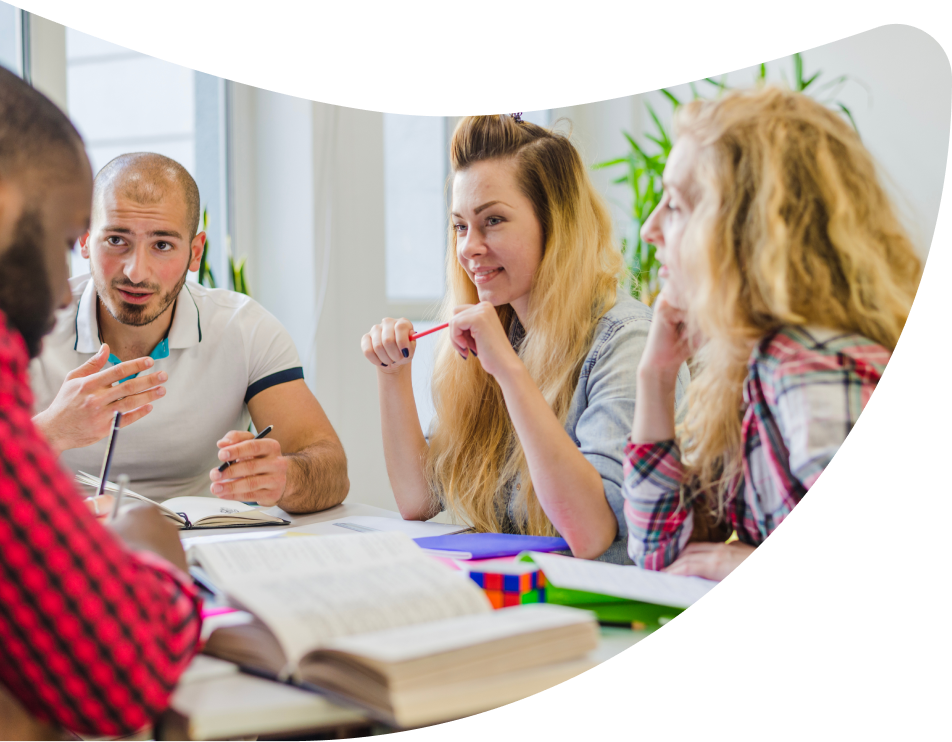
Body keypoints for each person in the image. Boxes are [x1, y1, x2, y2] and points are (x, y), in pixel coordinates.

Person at [623, 86, 921, 580]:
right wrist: (655, 377)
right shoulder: (749, 363)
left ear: (745, 230)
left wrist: (736, 560)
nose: (649, 229)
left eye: (675, 205)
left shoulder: (808, 365)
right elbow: (660, 556)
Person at [362, 114, 688, 563]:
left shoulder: (626, 343)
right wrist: (392, 373)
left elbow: (591, 535)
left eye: (492, 220)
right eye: (460, 226)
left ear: (555, 226)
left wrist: (509, 372)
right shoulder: (499, 334)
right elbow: (419, 501)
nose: (469, 247)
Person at [0, 67, 201, 737]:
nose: (65, 289)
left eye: (162, 245)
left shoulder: (244, 322)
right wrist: (151, 542)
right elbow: (116, 676)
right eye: (67, 243)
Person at [29, 152, 348, 511]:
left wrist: (285, 477)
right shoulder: (25, 325)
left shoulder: (244, 329)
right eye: (117, 240)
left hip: (201, 546)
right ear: (85, 240)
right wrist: (49, 432)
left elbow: (331, 470)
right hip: (62, 546)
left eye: (162, 245)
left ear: (195, 253)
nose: (136, 272)